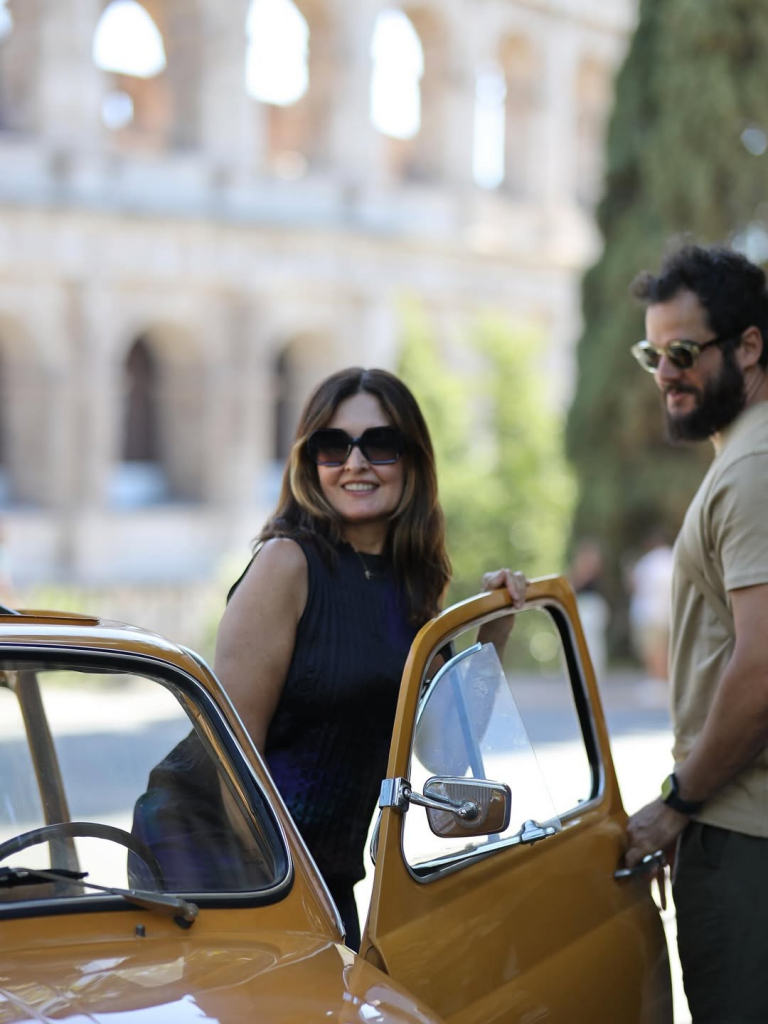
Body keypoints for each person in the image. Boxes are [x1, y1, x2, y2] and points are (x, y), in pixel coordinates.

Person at [214, 367, 526, 950]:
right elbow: (231, 761)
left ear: (413, 460)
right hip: (231, 874)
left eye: (379, 444)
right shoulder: (286, 564)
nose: (355, 463)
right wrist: (282, 896)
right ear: (310, 462)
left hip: (324, 881)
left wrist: (494, 631)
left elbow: (449, 754)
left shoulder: (413, 587)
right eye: (333, 446)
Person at [623, 244, 768, 1022]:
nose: (665, 375)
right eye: (654, 355)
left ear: (748, 346)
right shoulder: (745, 456)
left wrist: (680, 801)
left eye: (682, 352)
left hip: (747, 839)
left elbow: (762, 666)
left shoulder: (753, 469)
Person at [628, 528, 674, 683]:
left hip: (649, 614)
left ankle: (657, 681)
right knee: (665, 650)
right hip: (668, 613)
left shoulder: (647, 562)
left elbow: (634, 584)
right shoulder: (672, 558)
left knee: (652, 651)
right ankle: (664, 681)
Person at [569, 538, 609, 681]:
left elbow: (575, 583)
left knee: (592, 642)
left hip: (590, 605)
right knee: (586, 641)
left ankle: (592, 673)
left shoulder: (589, 569)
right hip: (585, 604)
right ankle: (586, 672)